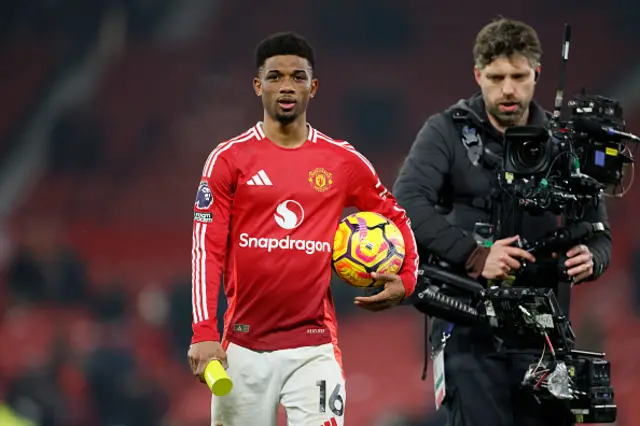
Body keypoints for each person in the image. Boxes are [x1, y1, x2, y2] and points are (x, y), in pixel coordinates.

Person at [187, 31, 419, 426]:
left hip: (314, 347)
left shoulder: (342, 161)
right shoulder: (229, 160)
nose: (286, 86)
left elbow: (397, 216)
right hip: (242, 347)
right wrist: (204, 331)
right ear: (258, 85)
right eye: (275, 76)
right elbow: (205, 248)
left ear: (313, 86)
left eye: (297, 77)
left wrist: (408, 278)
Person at [393, 18, 611, 426]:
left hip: (546, 338)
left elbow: (599, 232)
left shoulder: (563, 141)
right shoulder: (445, 132)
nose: (507, 89)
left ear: (537, 74)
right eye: (495, 77)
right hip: (470, 331)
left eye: (518, 76)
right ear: (478, 75)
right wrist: (475, 256)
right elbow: (404, 204)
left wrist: (593, 256)